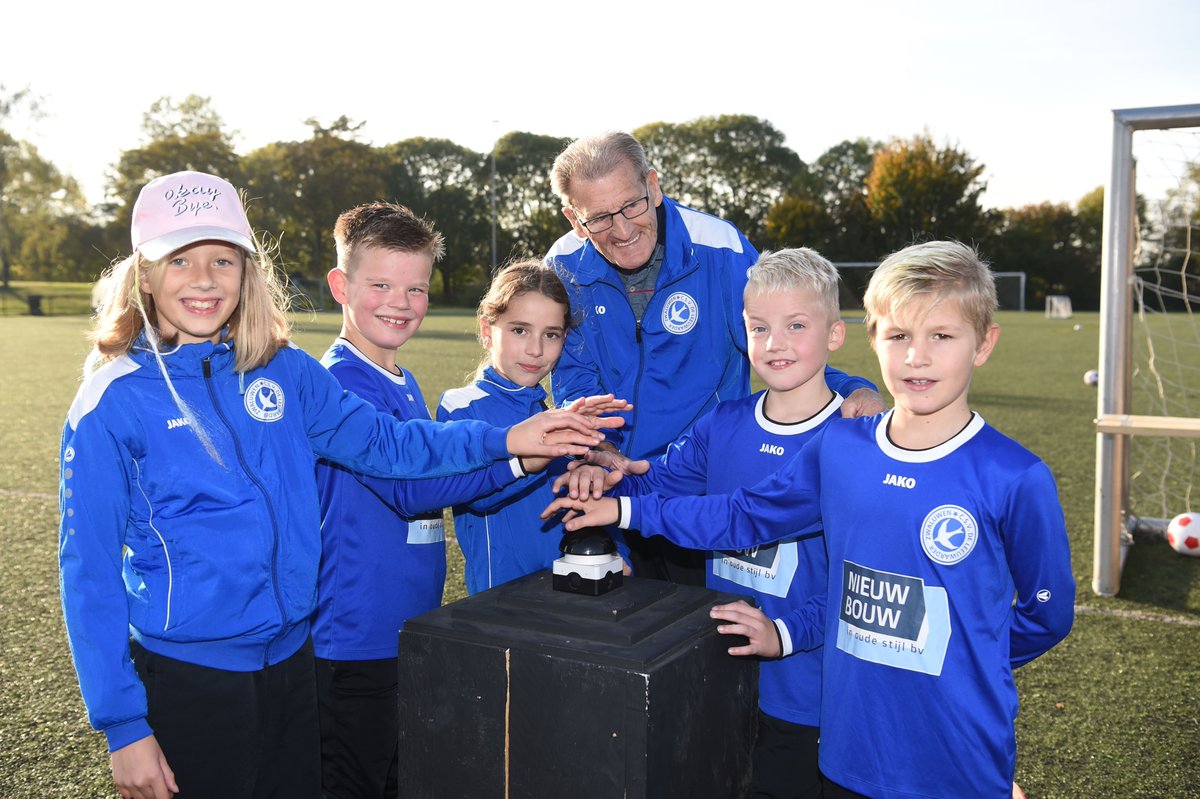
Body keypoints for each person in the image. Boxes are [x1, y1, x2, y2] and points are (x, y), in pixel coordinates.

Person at [58, 171, 618, 799]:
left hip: (292, 663)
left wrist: (508, 439)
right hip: (191, 674)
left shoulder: (285, 371)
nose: (205, 278)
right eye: (180, 259)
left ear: (247, 271)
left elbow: (391, 446)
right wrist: (123, 725)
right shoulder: (111, 401)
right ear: (144, 274)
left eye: (223, 259)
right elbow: (89, 571)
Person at [545, 240, 1076, 799]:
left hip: (956, 750)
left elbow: (1046, 615)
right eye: (899, 336)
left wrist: (965, 660)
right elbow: (748, 514)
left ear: (983, 343)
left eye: (941, 336)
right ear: (874, 338)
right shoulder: (842, 449)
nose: (917, 357)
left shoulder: (1016, 475)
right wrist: (623, 501)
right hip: (848, 744)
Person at [314, 204, 613, 798]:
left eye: (416, 288)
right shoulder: (341, 382)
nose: (401, 303)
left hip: (403, 627)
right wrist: (525, 455)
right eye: (381, 286)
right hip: (353, 636)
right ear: (341, 287)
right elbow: (412, 492)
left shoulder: (400, 380)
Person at [559, 248, 847, 799]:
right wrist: (606, 478)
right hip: (719, 670)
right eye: (759, 327)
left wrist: (788, 634)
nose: (775, 343)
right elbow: (660, 486)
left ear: (835, 334)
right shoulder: (725, 422)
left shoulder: (852, 442)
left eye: (796, 326)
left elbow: (843, 577)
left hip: (803, 688)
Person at [545, 131, 883, 586]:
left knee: (710, 617)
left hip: (705, 489)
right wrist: (598, 451)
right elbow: (574, 377)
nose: (622, 230)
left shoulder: (720, 248)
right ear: (574, 218)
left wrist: (851, 387)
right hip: (615, 480)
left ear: (653, 186)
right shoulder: (563, 265)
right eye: (600, 218)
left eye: (632, 206)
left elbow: (781, 336)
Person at [438, 259, 630, 595]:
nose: (536, 349)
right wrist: (546, 447)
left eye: (551, 335)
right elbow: (475, 495)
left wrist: (613, 551)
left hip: (567, 590)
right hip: (501, 600)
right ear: (487, 330)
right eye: (520, 330)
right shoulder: (462, 406)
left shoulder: (554, 416)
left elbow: (585, 510)